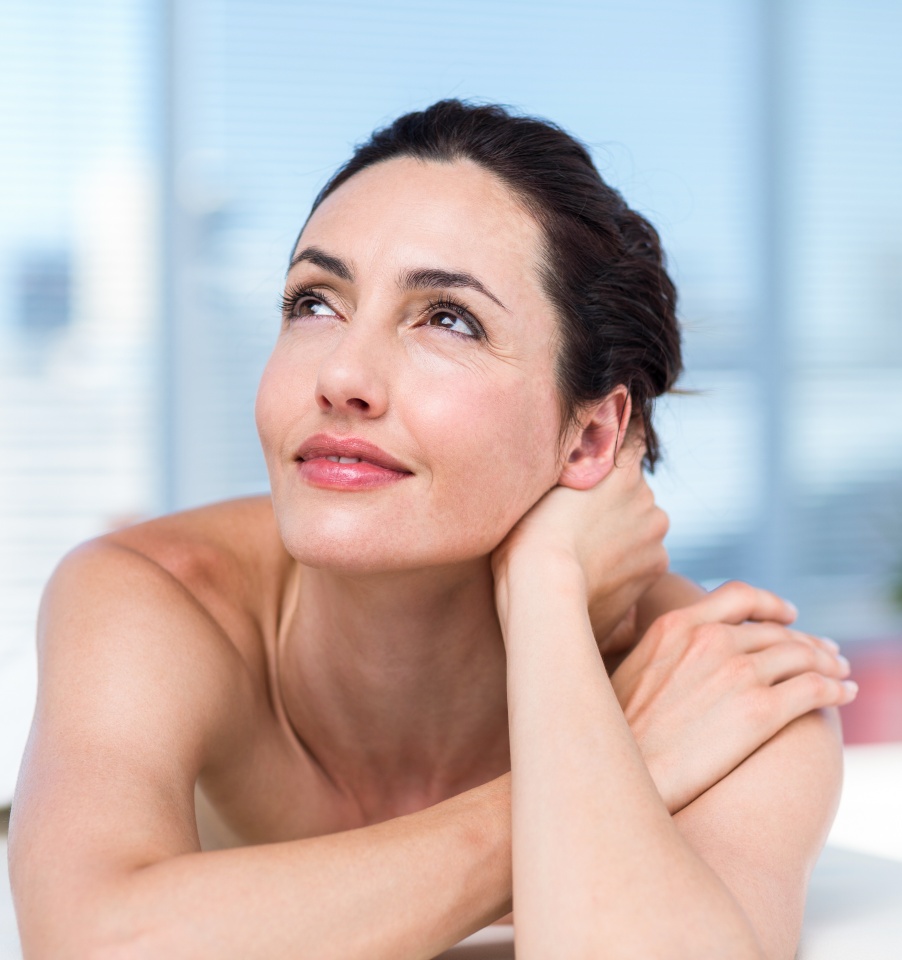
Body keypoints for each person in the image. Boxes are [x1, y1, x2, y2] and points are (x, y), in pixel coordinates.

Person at [9, 100, 856, 960]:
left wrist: (546, 587)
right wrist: (622, 766)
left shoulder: (723, 684)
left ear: (593, 436)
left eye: (449, 318)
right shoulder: (155, 598)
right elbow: (96, 944)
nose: (341, 375)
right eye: (314, 302)